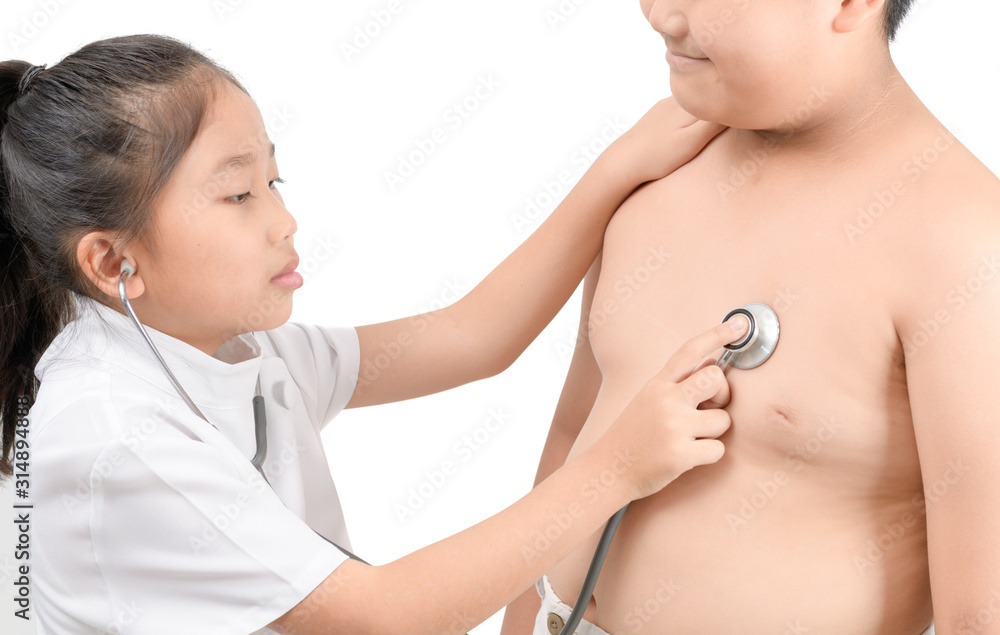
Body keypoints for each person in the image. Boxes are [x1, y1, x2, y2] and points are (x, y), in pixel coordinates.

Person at [0, 34, 750, 634]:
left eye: (274, 181)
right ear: (113, 261)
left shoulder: (225, 344)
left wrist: (617, 168)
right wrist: (618, 467)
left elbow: (471, 336)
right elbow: (384, 618)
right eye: (236, 193)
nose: (283, 220)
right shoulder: (114, 434)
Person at [497, 0, 1000, 633]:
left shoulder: (963, 246)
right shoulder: (656, 164)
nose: (657, 13)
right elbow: (575, 433)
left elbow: (979, 618)